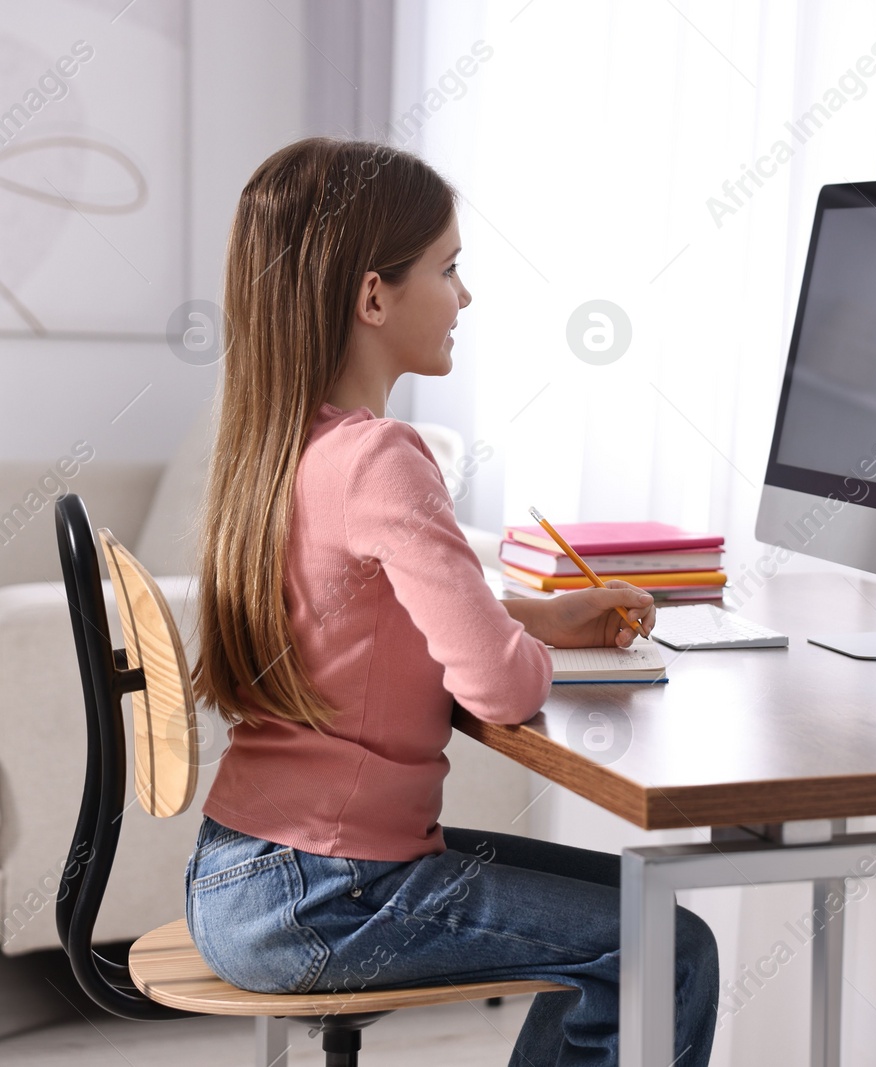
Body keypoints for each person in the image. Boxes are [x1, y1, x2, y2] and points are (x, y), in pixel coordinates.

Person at [187, 136, 718, 1066]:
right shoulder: (383, 458)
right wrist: (533, 650)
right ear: (373, 295)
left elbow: (370, 617)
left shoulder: (279, 448)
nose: (465, 296)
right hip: (329, 894)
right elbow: (504, 693)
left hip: (249, 871)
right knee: (666, 948)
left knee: (646, 919)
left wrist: (536, 614)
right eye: (450, 267)